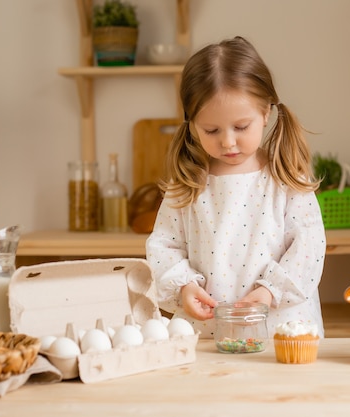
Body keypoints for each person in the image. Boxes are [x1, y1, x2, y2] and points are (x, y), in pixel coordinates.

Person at [145, 36, 326, 339]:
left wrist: (270, 291)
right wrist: (184, 286)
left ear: (266, 112)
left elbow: (308, 246)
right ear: (191, 124)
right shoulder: (187, 186)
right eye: (211, 130)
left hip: (279, 332)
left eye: (241, 127)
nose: (228, 142)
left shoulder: (287, 180)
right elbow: (164, 246)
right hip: (207, 334)